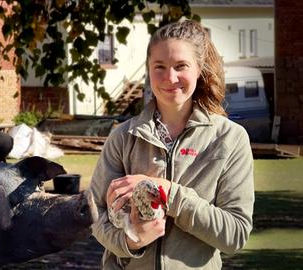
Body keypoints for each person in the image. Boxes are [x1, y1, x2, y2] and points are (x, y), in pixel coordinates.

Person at [90, 19, 254, 270]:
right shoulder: (123, 137)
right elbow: (95, 215)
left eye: (181, 66)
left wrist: (168, 193)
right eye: (159, 66)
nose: (170, 77)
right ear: (148, 69)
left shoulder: (230, 139)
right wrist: (131, 241)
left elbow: (235, 235)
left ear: (199, 69)